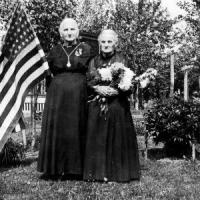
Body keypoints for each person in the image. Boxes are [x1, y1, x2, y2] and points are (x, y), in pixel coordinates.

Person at [37, 18, 94, 180]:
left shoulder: (86, 48)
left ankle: (76, 169)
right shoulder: (54, 50)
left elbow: (92, 72)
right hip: (58, 95)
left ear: (78, 31)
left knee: (76, 127)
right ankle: (54, 168)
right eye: (66, 30)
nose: (69, 33)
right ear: (61, 33)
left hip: (79, 94)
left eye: (72, 29)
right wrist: (52, 92)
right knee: (58, 129)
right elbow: (48, 75)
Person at [83, 29, 140, 182]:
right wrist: (97, 88)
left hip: (117, 103)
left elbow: (129, 82)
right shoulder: (93, 61)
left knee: (118, 135)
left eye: (109, 42)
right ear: (99, 43)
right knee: (98, 135)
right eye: (103, 42)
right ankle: (98, 173)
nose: (106, 45)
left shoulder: (122, 59)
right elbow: (88, 81)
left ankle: (118, 173)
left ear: (115, 43)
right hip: (98, 101)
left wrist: (116, 91)